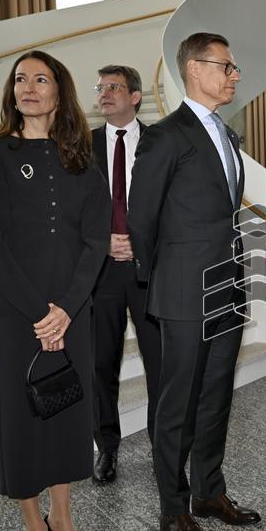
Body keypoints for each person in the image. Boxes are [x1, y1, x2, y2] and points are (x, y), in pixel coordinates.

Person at [0, 50, 109, 531]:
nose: (29, 87)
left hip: (72, 314)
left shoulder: (81, 158)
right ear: (12, 92)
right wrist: (39, 313)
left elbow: (96, 241)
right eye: (20, 79)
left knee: (69, 416)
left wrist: (67, 309)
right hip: (14, 314)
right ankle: (33, 528)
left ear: (59, 91)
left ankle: (63, 518)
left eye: (41, 78)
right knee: (24, 421)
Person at [128, 32, 260, 531]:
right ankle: (174, 509)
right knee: (176, 404)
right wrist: (164, 278)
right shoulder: (167, 135)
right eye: (226, 66)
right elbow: (141, 219)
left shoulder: (226, 133)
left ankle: (209, 492)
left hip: (227, 286)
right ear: (194, 69)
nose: (234, 75)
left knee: (216, 397)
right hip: (186, 292)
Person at [89, 64, 161, 485]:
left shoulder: (159, 142)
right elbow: (71, 210)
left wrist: (144, 243)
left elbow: (171, 204)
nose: (105, 94)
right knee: (101, 363)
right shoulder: (82, 146)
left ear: (135, 96)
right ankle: (107, 449)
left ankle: (161, 445)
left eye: (114, 87)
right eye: (101, 88)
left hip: (147, 271)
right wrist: (104, 240)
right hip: (100, 274)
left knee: (159, 363)